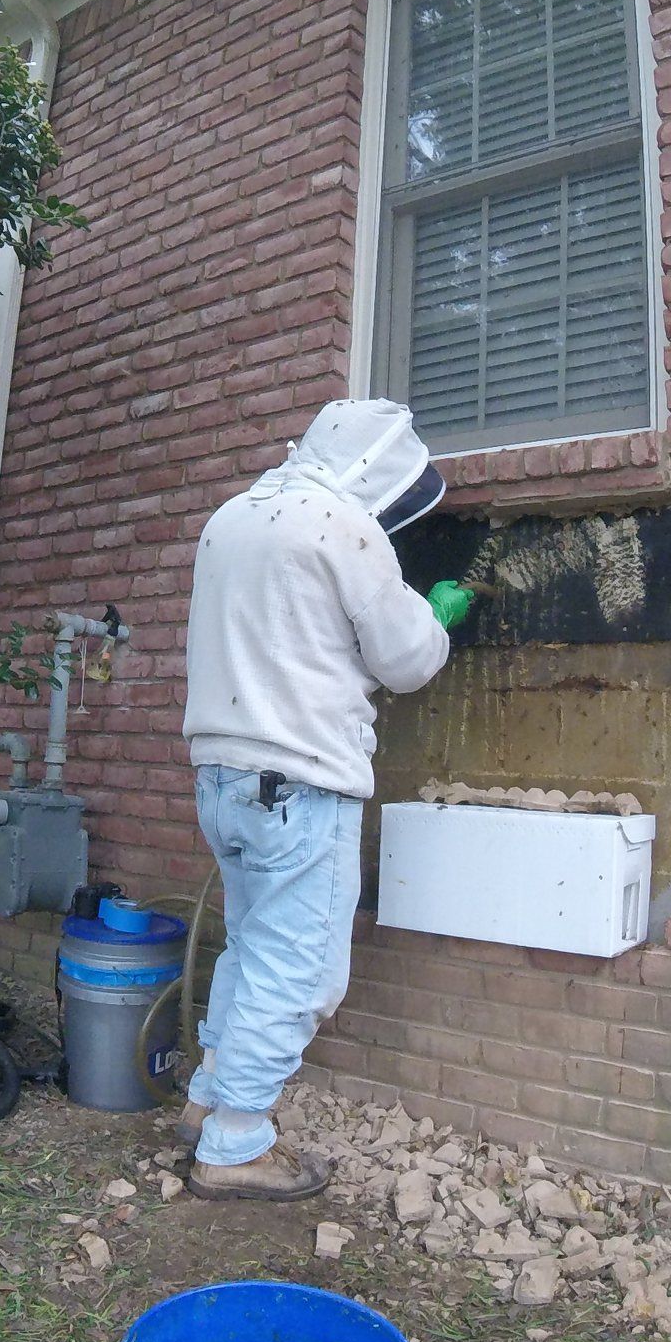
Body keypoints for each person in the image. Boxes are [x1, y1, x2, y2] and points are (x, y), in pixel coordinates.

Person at [176, 397, 473, 1201]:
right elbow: (406, 659)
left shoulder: (232, 518)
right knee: (300, 972)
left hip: (222, 780)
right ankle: (235, 1146)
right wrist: (437, 617)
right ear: (375, 469)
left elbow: (292, 643)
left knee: (251, 948)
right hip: (299, 787)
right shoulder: (343, 525)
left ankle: (207, 1099)